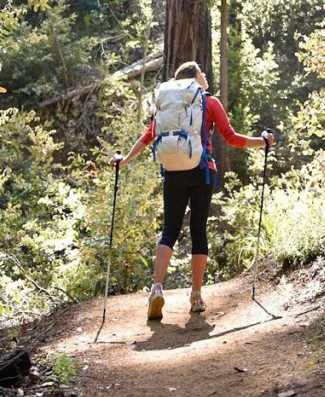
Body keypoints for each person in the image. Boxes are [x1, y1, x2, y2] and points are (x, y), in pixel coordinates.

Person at [110, 60, 275, 321]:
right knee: (199, 230)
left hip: (173, 173)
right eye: (202, 73)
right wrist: (262, 141)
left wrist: (124, 160)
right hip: (202, 171)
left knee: (169, 230)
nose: (206, 77)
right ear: (195, 77)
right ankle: (196, 295)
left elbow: (149, 135)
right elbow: (231, 138)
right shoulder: (210, 102)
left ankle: (156, 288)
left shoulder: (169, 106)